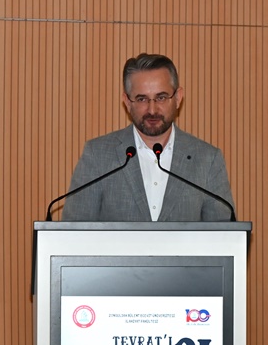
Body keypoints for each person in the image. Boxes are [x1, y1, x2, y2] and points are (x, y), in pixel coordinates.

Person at [61, 53, 235, 222]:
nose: (152, 110)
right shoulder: (97, 155)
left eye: (161, 97)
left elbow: (226, 234)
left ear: (178, 98)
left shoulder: (207, 159)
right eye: (142, 99)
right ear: (127, 101)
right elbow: (73, 230)